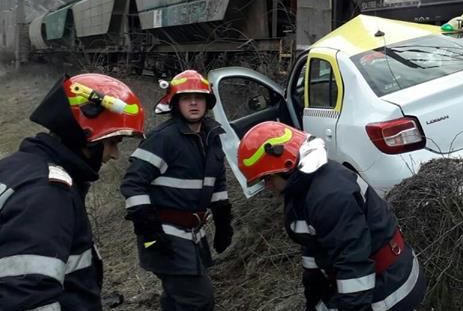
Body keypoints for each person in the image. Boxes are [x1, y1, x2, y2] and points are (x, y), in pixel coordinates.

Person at [236, 122, 426, 311]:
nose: (267, 186)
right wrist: (312, 299)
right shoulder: (302, 190)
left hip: (390, 286)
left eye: (267, 178)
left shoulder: (331, 196)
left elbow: (354, 268)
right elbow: (313, 253)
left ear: (285, 166)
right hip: (364, 279)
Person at [0, 73, 145, 310]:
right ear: (86, 138)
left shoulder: (18, 166)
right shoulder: (47, 193)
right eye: (113, 142)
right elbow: (28, 298)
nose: (114, 155)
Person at [120, 70, 233, 311]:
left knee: (176, 301)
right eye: (186, 98)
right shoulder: (163, 138)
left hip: (193, 235)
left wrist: (224, 221)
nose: (193, 103)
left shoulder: (211, 136)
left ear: (208, 102)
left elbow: (217, 183)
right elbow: (133, 183)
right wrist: (149, 229)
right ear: (175, 103)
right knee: (197, 301)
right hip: (164, 236)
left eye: (199, 97)